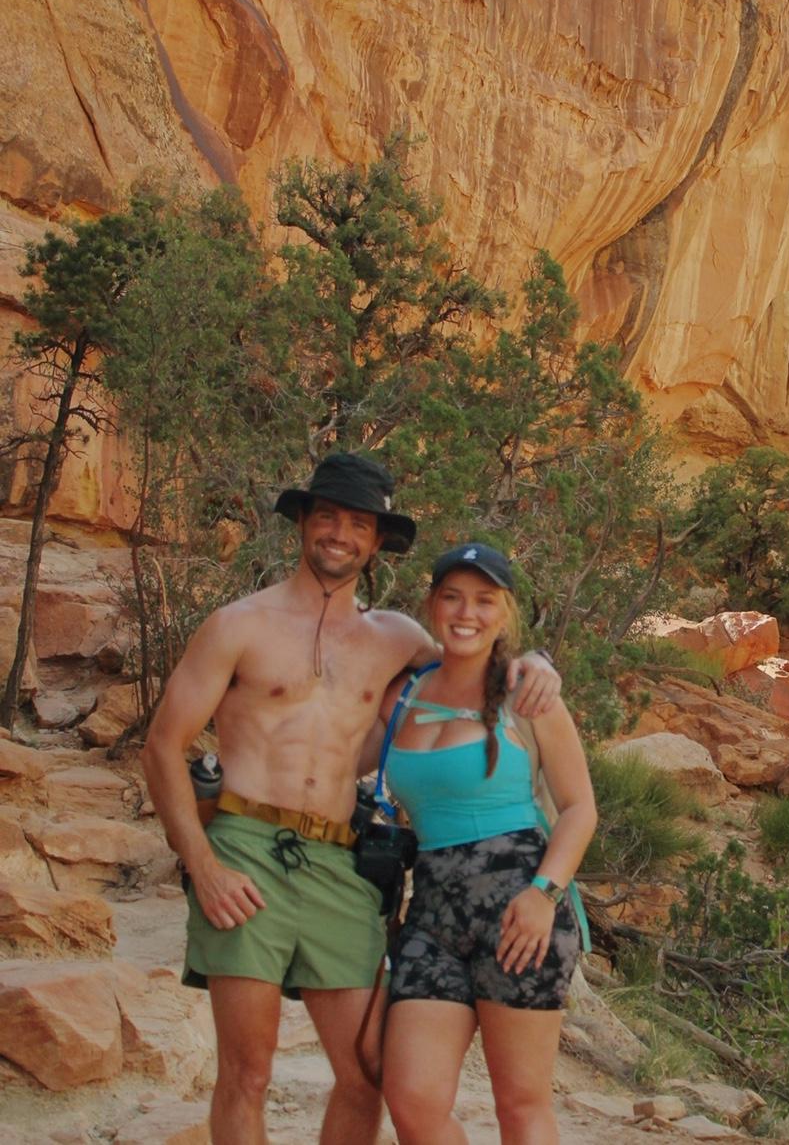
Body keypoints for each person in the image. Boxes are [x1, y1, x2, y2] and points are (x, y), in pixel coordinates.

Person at [141, 454, 562, 1145]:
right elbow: (162, 745)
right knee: (247, 1071)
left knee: (366, 1070)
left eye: (358, 524)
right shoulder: (237, 625)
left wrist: (534, 662)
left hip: (340, 858)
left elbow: (474, 656)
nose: (340, 534)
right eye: (328, 516)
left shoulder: (395, 637)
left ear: (376, 544)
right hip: (245, 847)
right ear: (302, 522)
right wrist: (203, 865)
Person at [377, 542, 597, 1145]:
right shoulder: (405, 695)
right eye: (452, 597)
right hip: (431, 916)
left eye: (483, 600)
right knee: (412, 1100)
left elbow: (580, 809)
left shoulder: (529, 695)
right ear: (432, 604)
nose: (465, 612)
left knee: (521, 1105)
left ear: (505, 614)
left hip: (520, 909)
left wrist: (542, 894)